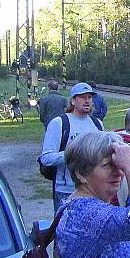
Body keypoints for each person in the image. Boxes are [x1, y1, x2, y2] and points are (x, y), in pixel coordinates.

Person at [40, 82, 104, 210]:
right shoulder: (59, 123)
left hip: (93, 189)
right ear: (73, 101)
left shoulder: (98, 124)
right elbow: (46, 158)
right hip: (66, 190)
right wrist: (74, 154)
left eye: (89, 97)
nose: (87, 101)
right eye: (82, 97)